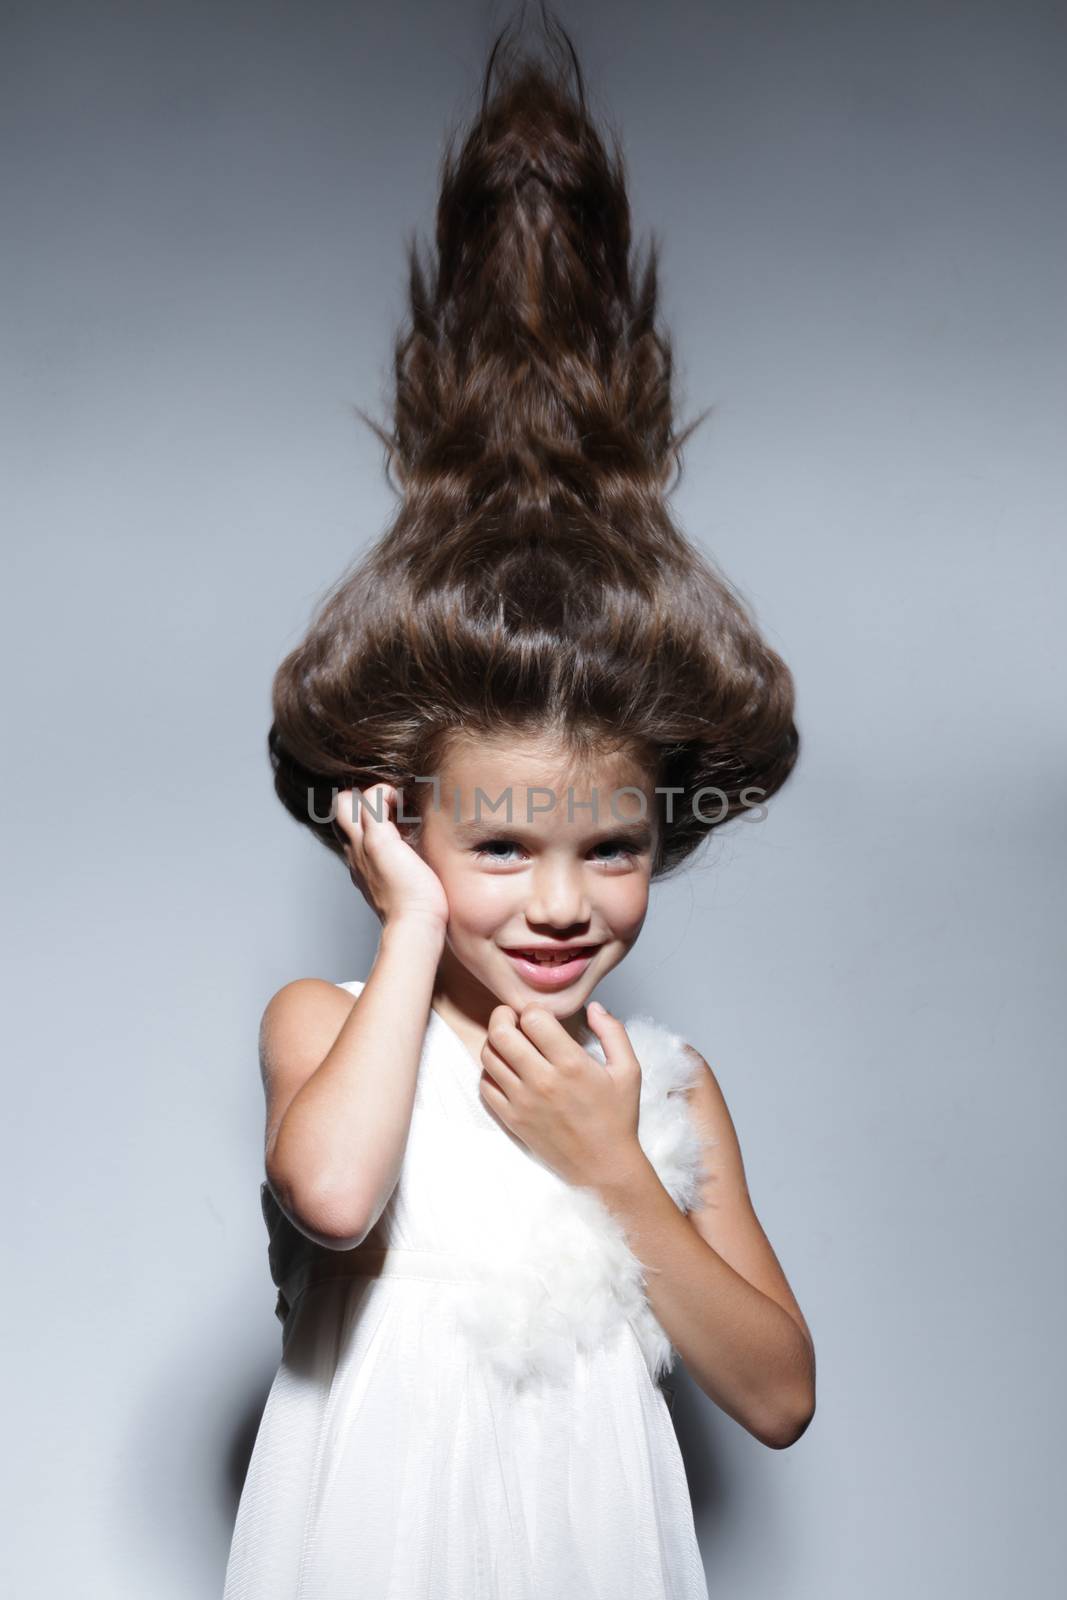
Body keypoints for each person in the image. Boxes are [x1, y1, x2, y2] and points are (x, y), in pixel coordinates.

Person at [223, 14, 815, 1598]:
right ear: (405, 825)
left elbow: (776, 1396)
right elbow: (337, 1199)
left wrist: (614, 1164)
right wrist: (412, 921)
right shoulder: (328, 1026)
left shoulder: (664, 1083)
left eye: (609, 847)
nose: (562, 902)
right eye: (499, 846)